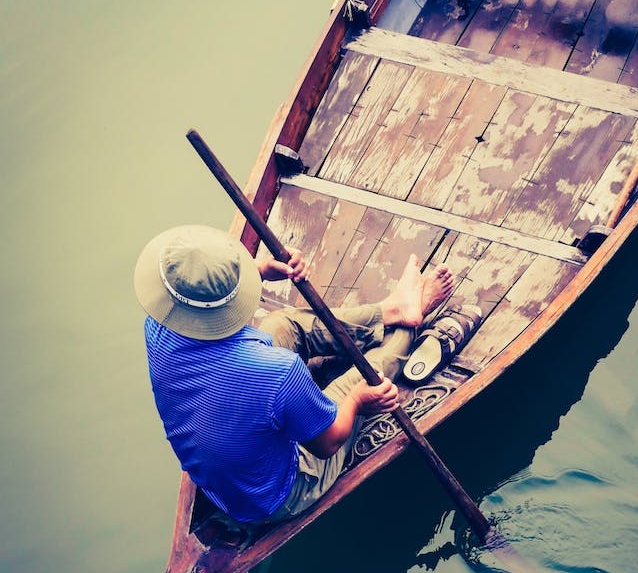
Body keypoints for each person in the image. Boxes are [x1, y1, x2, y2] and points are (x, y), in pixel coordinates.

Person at [134, 224, 454, 527]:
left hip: (223, 483)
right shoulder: (276, 371)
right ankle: (412, 318)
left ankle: (391, 310)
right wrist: (357, 401)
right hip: (282, 494)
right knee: (357, 381)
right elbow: (327, 443)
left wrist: (257, 271)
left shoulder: (159, 328)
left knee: (284, 323)